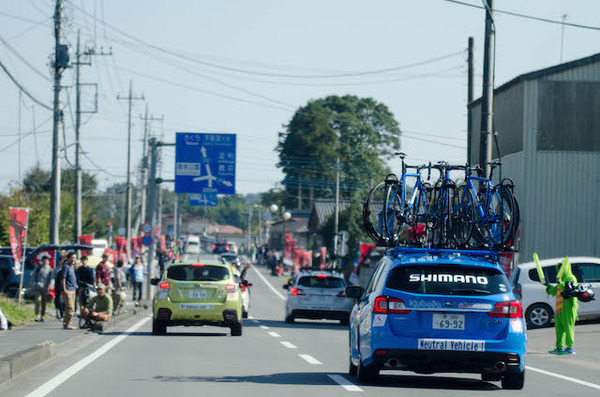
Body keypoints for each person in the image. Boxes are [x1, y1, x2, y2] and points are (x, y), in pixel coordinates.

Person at [546, 258, 579, 355]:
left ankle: (570, 348)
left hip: (568, 308)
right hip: (559, 309)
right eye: (559, 268)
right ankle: (559, 347)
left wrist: (560, 282)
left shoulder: (571, 278)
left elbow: (569, 288)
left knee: (568, 328)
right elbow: (554, 290)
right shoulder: (562, 280)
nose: (560, 270)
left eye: (562, 268)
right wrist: (548, 287)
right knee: (559, 329)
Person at [30, 256, 52, 322]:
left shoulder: (50, 270)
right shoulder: (38, 268)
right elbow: (33, 276)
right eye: (44, 260)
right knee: (38, 301)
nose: (45, 261)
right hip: (38, 287)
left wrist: (51, 285)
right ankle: (37, 315)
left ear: (48, 261)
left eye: (46, 260)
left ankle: (42, 315)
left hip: (45, 288)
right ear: (42, 261)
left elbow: (52, 278)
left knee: (44, 302)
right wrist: (33, 284)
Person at [61, 252, 79, 330]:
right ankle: (67, 323)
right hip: (68, 289)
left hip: (73, 289)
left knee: (71, 308)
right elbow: (63, 278)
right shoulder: (66, 267)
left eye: (74, 258)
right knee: (70, 307)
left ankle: (67, 323)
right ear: (68, 259)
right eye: (71, 257)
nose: (73, 259)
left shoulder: (72, 267)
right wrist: (64, 289)